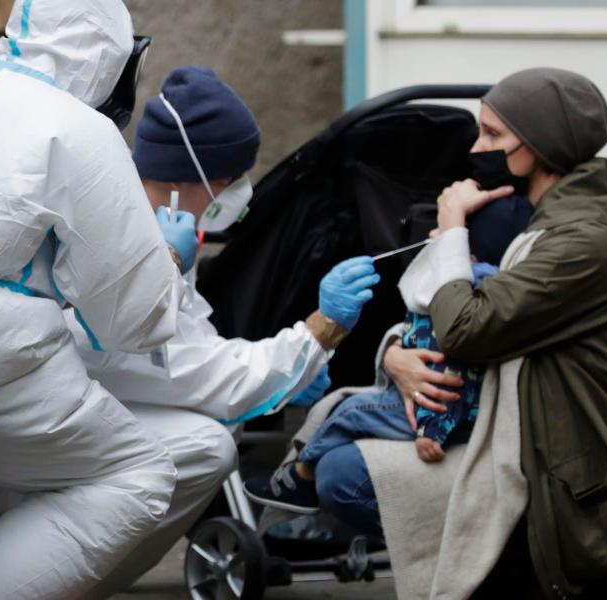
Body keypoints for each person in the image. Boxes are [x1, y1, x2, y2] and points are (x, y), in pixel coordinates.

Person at [324, 67, 607, 598]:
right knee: (341, 442)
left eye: (493, 134)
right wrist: (396, 356)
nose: (478, 146)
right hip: (518, 442)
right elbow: (454, 317)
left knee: (342, 474)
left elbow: (467, 329)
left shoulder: (582, 244)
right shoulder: (537, 221)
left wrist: (451, 229)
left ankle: (502, 568)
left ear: (539, 145)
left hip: (560, 479)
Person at [0, 2, 200, 598]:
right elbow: (132, 318)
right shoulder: (78, 126)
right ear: (109, 54)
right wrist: (170, 258)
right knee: (137, 474)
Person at [50, 66, 380, 598]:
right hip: (36, 437)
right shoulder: (124, 238)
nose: (240, 193)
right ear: (187, 178)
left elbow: (196, 341)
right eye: (230, 180)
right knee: (209, 443)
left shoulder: (167, 228)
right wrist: (319, 333)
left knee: (214, 427)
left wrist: (296, 368)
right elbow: (196, 375)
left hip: (85, 406)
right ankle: (76, 574)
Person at [242, 195, 533, 514]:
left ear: (468, 253)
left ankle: (301, 476)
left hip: (441, 420)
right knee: (342, 410)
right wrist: (392, 351)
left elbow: (448, 380)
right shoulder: (477, 290)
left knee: (349, 410)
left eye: (447, 232)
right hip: (447, 415)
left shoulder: (460, 296)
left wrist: (430, 433)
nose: (433, 237)